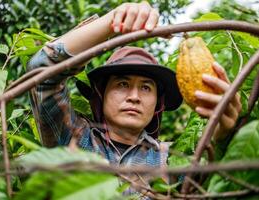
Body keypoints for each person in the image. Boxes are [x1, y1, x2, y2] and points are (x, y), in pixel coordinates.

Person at [27, 1, 241, 187]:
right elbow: (41, 72)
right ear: (101, 95)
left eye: (146, 87)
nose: (134, 97)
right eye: (122, 84)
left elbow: (216, 183)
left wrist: (222, 134)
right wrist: (112, 21)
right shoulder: (75, 140)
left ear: (158, 102)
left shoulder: (171, 160)